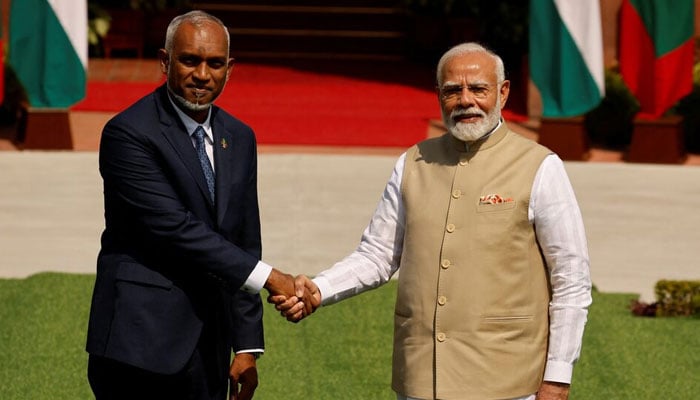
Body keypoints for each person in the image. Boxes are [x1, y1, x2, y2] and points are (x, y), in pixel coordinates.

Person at [273, 42, 592, 400]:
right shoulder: (413, 163)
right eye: (453, 90)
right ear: (439, 95)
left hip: (508, 381)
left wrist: (558, 376)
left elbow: (571, 279)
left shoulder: (539, 166)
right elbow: (378, 254)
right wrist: (321, 289)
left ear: (503, 93)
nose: (466, 100)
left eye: (478, 89)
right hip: (421, 375)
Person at [85, 10, 311, 400]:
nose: (202, 75)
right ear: (165, 61)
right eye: (190, 60)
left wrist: (246, 345)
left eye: (215, 63)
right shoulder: (128, 134)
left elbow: (243, 240)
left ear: (230, 68)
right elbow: (175, 229)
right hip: (138, 342)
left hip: (209, 345)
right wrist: (272, 278)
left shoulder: (239, 137)